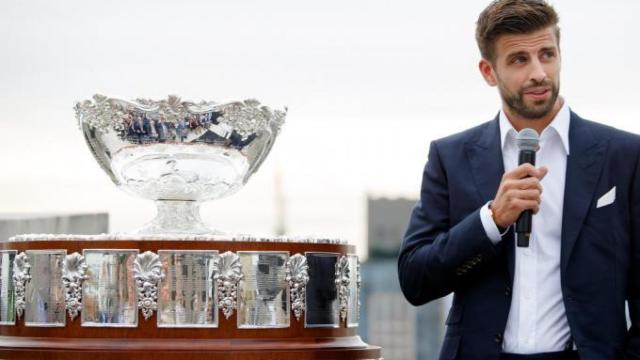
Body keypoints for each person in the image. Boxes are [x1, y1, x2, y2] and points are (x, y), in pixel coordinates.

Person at [397, 1, 640, 359]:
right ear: (488, 71)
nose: (539, 72)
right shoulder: (451, 157)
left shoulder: (624, 155)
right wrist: (491, 221)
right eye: (519, 60)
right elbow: (415, 279)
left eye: (547, 54)